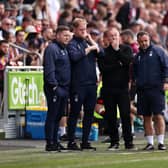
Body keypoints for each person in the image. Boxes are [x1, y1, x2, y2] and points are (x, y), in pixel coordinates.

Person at [67, 18, 100, 150]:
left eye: (85, 29)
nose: (84, 32)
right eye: (81, 29)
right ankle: (71, 141)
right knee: (75, 112)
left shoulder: (88, 42)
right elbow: (74, 57)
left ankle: (85, 141)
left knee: (89, 113)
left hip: (91, 83)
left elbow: (100, 53)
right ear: (74, 29)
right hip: (78, 84)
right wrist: (89, 49)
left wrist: (92, 42)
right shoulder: (72, 43)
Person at [99, 27, 135, 150]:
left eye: (115, 35)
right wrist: (117, 64)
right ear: (107, 38)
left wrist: (117, 51)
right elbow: (104, 68)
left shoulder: (126, 49)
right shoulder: (103, 52)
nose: (114, 37)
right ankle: (114, 142)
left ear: (119, 36)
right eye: (111, 35)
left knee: (125, 115)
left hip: (123, 89)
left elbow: (127, 61)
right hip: (108, 89)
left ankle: (128, 142)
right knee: (111, 116)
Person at [133, 31, 168, 150]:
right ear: (137, 42)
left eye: (145, 41)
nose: (143, 43)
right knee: (146, 117)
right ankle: (150, 143)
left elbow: (166, 67)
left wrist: (166, 81)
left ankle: (161, 142)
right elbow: (135, 74)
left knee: (158, 115)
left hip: (156, 89)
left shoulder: (158, 52)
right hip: (142, 90)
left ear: (149, 40)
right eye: (141, 41)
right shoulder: (137, 57)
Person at [43, 25, 71, 151]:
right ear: (57, 35)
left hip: (64, 88)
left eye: (68, 36)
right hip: (55, 88)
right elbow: (50, 69)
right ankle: (50, 142)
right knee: (52, 115)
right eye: (65, 35)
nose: (67, 38)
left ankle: (56, 140)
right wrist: (54, 86)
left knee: (59, 115)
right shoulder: (52, 49)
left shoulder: (64, 49)